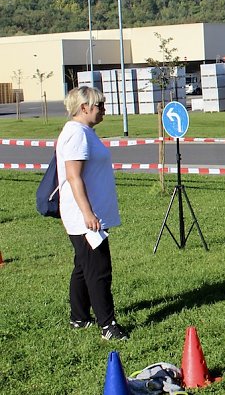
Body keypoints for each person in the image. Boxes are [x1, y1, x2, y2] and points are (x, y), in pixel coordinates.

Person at [57, 86, 128, 340]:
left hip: (89, 214)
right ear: (84, 107)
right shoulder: (76, 134)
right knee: (99, 269)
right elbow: (73, 177)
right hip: (85, 217)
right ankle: (108, 326)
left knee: (82, 266)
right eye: (100, 105)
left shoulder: (85, 131)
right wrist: (88, 213)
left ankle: (78, 317)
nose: (104, 110)